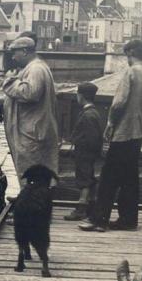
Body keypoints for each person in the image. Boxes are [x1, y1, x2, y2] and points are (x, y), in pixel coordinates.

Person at [79, 40, 142, 232]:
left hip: (122, 133)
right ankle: (128, 219)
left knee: (108, 177)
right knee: (130, 178)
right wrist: (141, 121)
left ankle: (99, 219)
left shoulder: (130, 73)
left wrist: (111, 124)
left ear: (129, 53)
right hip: (137, 133)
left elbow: (118, 103)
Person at [0, 36, 60, 186]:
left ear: (25, 51)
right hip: (30, 133)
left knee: (32, 173)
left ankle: (30, 200)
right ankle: (25, 194)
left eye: (15, 53)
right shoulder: (29, 69)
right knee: (28, 172)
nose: (13, 57)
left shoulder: (36, 69)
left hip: (32, 135)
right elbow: (18, 99)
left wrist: (8, 81)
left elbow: (29, 94)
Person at [64, 82, 103, 221]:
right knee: (88, 178)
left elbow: (91, 138)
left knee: (84, 180)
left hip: (84, 153)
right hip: (87, 153)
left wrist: (76, 143)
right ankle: (91, 207)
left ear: (81, 96)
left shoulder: (88, 115)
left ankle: (81, 209)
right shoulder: (93, 112)